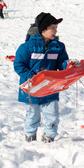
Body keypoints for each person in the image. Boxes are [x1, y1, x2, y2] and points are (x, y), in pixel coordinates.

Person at [14, 12, 75, 143]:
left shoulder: (58, 47)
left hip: (50, 87)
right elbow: (19, 65)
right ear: (43, 29)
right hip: (32, 88)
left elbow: (62, 63)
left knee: (52, 114)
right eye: (52, 28)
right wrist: (32, 77)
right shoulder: (27, 47)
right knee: (32, 115)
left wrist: (69, 65)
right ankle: (30, 136)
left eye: (56, 28)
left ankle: (49, 136)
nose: (55, 31)